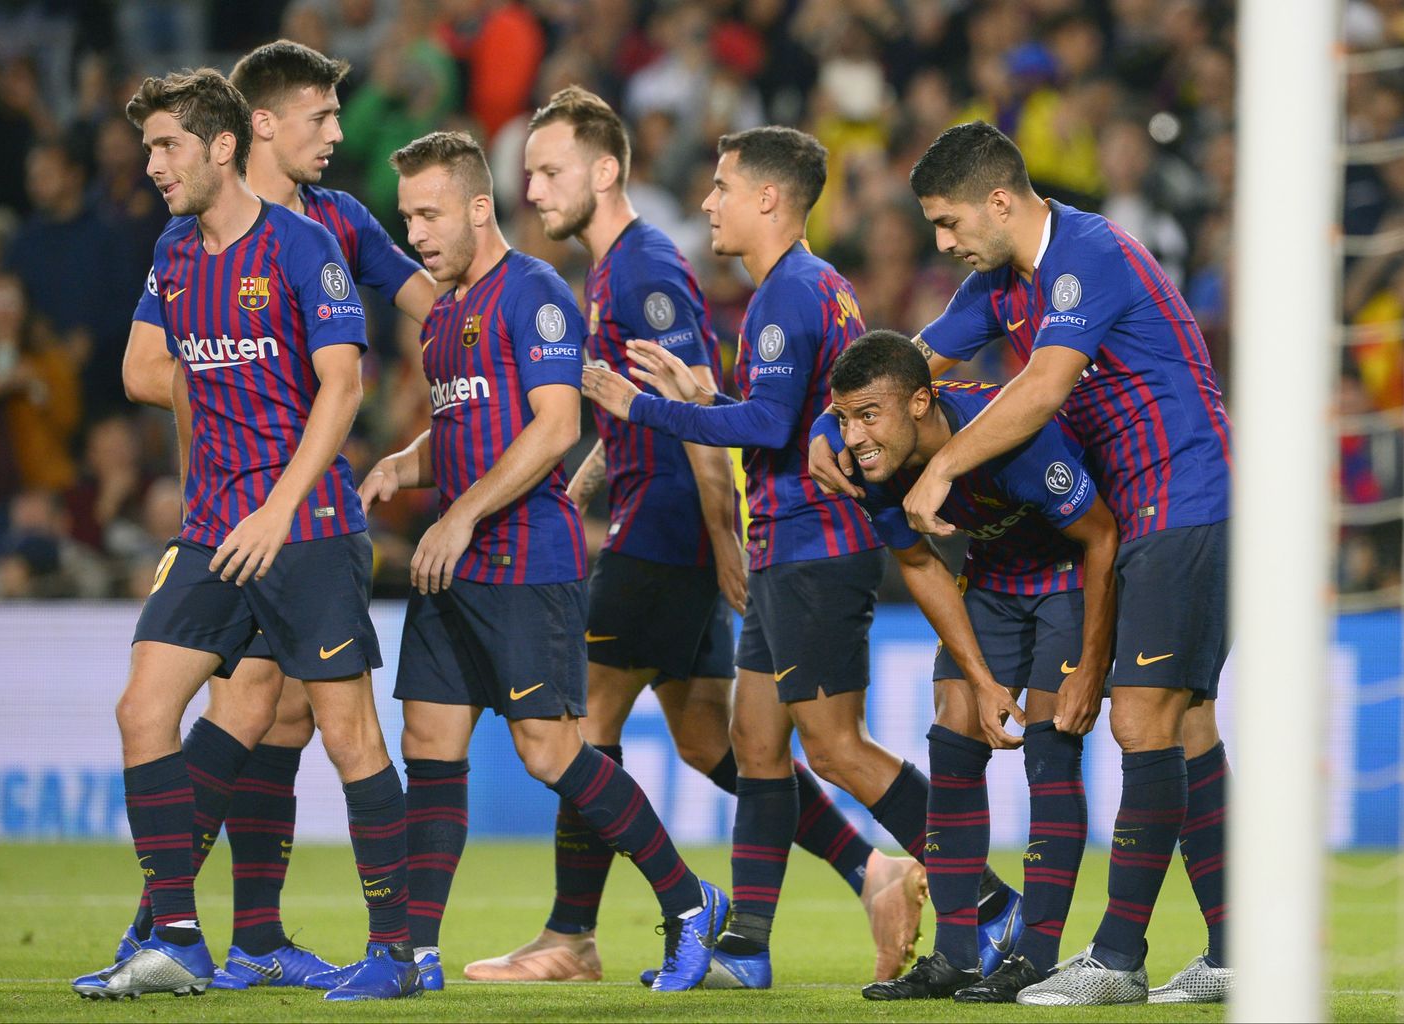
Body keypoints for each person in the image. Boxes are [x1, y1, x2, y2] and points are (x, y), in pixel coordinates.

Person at [466, 84, 921, 986]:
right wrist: (589, 477)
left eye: (549, 170)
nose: (533, 188)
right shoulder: (622, 271)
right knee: (720, 740)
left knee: (584, 725)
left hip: (672, 535)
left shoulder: (646, 270)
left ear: (604, 170)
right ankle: (857, 876)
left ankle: (574, 935)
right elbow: (680, 404)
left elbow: (715, 415)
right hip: (697, 527)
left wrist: (720, 535)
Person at [582, 126, 1014, 989]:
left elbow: (772, 425)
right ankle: (747, 948)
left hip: (818, 546)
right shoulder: (809, 288)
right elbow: (780, 417)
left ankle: (990, 902)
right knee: (755, 741)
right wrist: (705, 395)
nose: (708, 202)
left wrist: (642, 408)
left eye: (722, 187)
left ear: (768, 198)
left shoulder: (789, 294)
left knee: (838, 748)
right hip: (786, 544)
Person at [815, 120, 1232, 1005]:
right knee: (1185, 724)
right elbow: (909, 364)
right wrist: (831, 424)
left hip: (1182, 491)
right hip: (1141, 504)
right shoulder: (1001, 285)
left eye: (948, 221)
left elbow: (1042, 386)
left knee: (1143, 723)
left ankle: (1115, 960)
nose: (941, 242)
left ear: (999, 201)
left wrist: (944, 469)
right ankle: (1235, 948)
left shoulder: (1088, 254)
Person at [74, 68, 416, 1002]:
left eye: (167, 145)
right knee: (143, 710)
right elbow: (158, 371)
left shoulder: (306, 246)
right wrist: (211, 488)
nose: (153, 164)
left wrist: (277, 507)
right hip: (215, 531)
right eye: (149, 147)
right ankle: (179, 941)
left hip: (306, 528)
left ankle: (394, 954)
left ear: (223, 146)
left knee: (347, 735)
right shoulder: (174, 252)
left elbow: (342, 387)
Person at [360, 129, 726, 993]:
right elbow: (466, 429)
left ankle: (689, 903)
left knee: (552, 752)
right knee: (428, 740)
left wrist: (461, 515)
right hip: (453, 565)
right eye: (407, 217)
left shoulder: (535, 292)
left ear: (478, 207)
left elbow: (558, 425)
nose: (417, 233)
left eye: (430, 214)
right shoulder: (442, 316)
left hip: (525, 560)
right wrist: (402, 466)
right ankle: (412, 956)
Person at [809, 331, 1117, 1002]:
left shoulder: (1016, 441)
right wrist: (980, 681)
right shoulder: (875, 463)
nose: (855, 437)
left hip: (1068, 574)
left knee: (1050, 746)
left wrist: (1093, 664)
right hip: (994, 576)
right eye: (845, 418)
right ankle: (955, 955)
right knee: (952, 738)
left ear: (920, 403)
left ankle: (1035, 955)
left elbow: (1100, 535)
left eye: (868, 416)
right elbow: (918, 563)